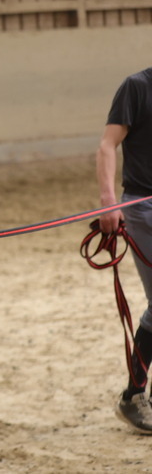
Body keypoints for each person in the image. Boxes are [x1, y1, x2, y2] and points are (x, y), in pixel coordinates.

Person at [97, 67, 152, 433]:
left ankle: (134, 394)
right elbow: (107, 145)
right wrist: (108, 202)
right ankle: (133, 396)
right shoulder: (137, 88)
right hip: (144, 207)